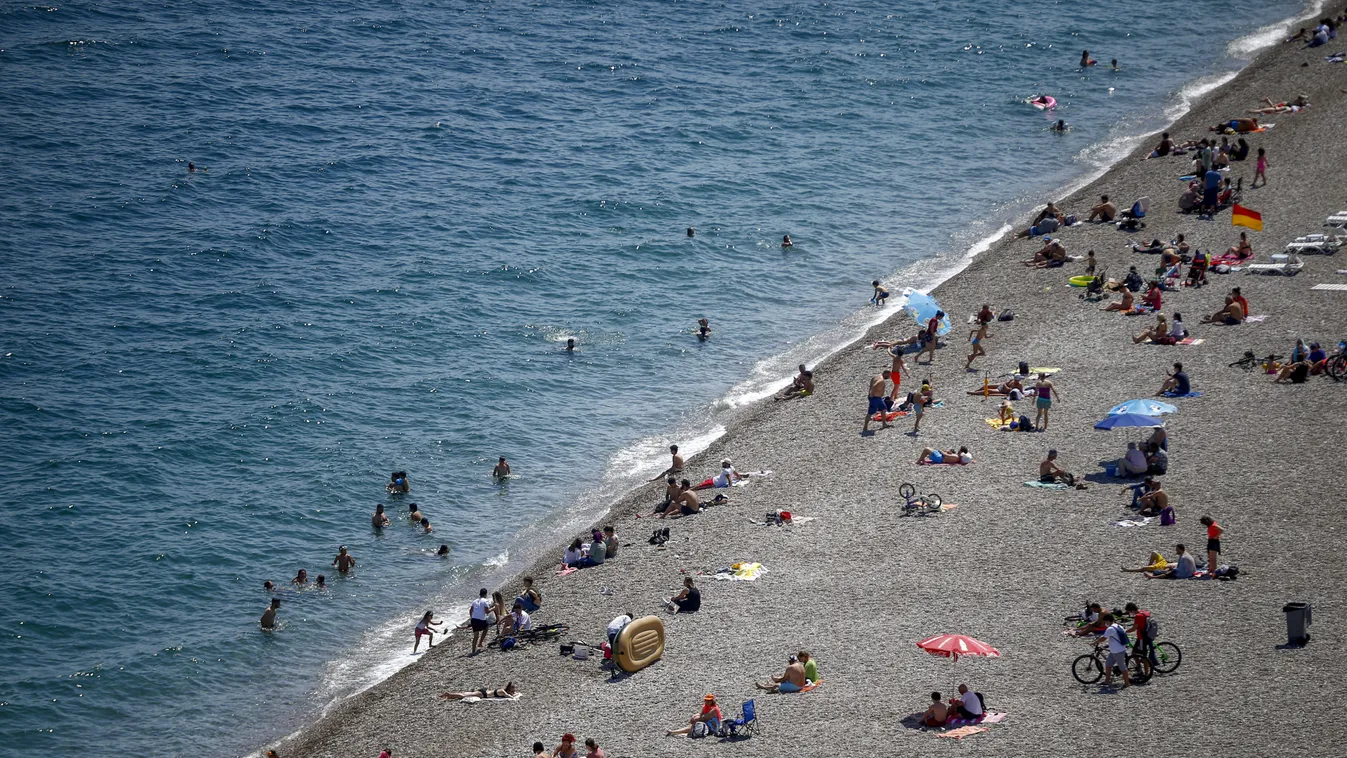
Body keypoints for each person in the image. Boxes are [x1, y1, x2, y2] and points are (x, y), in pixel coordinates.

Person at [1100, 614, 1132, 688]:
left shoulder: (1110, 629)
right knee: (1108, 665)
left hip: (1118, 651)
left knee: (1122, 667)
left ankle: (1127, 683)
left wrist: (1095, 642)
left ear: (1108, 621)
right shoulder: (1118, 626)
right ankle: (1107, 681)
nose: (1105, 623)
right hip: (1115, 650)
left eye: (1105, 621)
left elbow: (1103, 638)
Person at [1124, 602, 1158, 667]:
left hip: (1142, 638)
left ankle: (1142, 672)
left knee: (1139, 655)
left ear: (1132, 610)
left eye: (1129, 612)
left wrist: (1124, 631)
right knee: (1137, 654)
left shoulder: (1138, 616)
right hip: (1148, 635)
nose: (1130, 614)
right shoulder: (1144, 612)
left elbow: (1134, 628)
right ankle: (1142, 669)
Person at [469, 588, 491, 654]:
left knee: (475, 636)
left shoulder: (475, 601)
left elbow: (470, 610)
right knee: (486, 628)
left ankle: (473, 650)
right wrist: (494, 608)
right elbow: (487, 611)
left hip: (474, 619)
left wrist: (471, 617)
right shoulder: (485, 601)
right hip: (481, 619)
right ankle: (480, 643)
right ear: (485, 594)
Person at [440, 682, 518, 700]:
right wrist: (514, 696)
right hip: (483, 694)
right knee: (464, 695)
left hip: (484, 691)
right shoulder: (503, 692)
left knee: (465, 694)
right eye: (512, 690)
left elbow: (511, 694)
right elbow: (509, 696)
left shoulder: (502, 690)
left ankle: (449, 696)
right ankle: (449, 694)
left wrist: (514, 694)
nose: (513, 692)